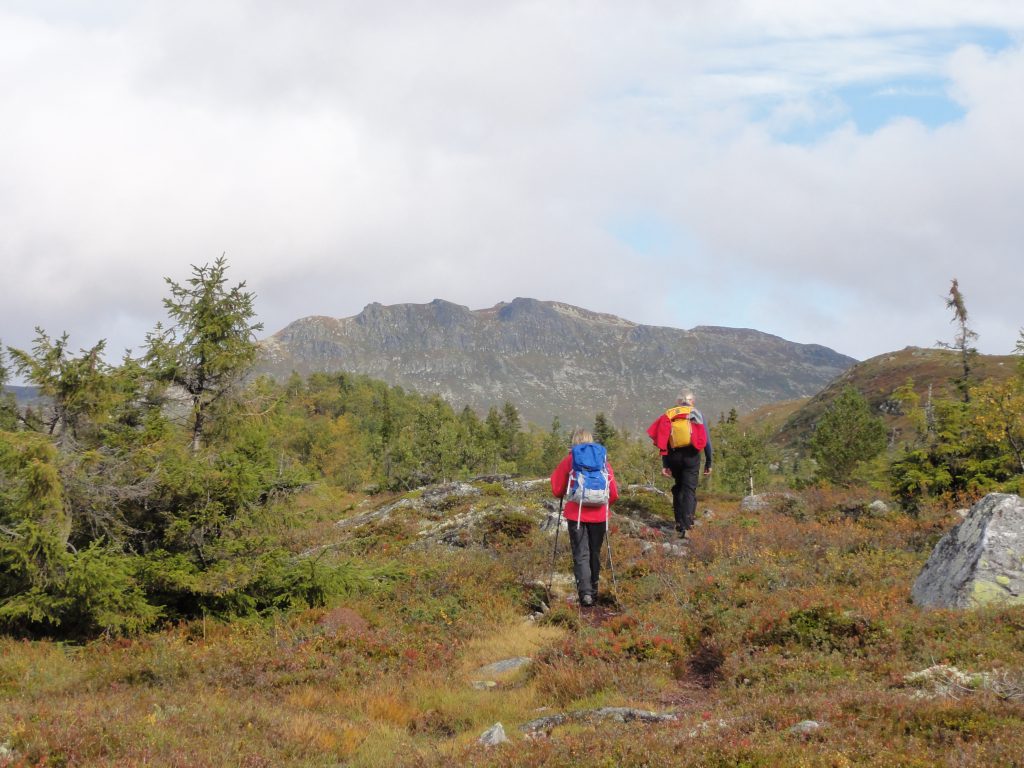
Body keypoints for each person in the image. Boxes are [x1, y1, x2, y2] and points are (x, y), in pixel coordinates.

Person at [550, 429, 619, 607]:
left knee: (581, 553)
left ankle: (585, 594)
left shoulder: (570, 460)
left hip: (577, 515)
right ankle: (594, 590)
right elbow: (613, 493)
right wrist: (603, 505)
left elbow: (557, 490)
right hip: (599, 515)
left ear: (574, 442)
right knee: (594, 552)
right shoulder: (603, 462)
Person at [647, 391, 713, 538]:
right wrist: (709, 461)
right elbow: (707, 441)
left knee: (679, 487)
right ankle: (687, 525)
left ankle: (679, 522)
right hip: (691, 455)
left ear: (678, 402)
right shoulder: (696, 413)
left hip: (673, 456)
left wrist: (665, 464)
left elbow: (664, 440)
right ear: (692, 401)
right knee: (689, 489)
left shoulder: (670, 414)